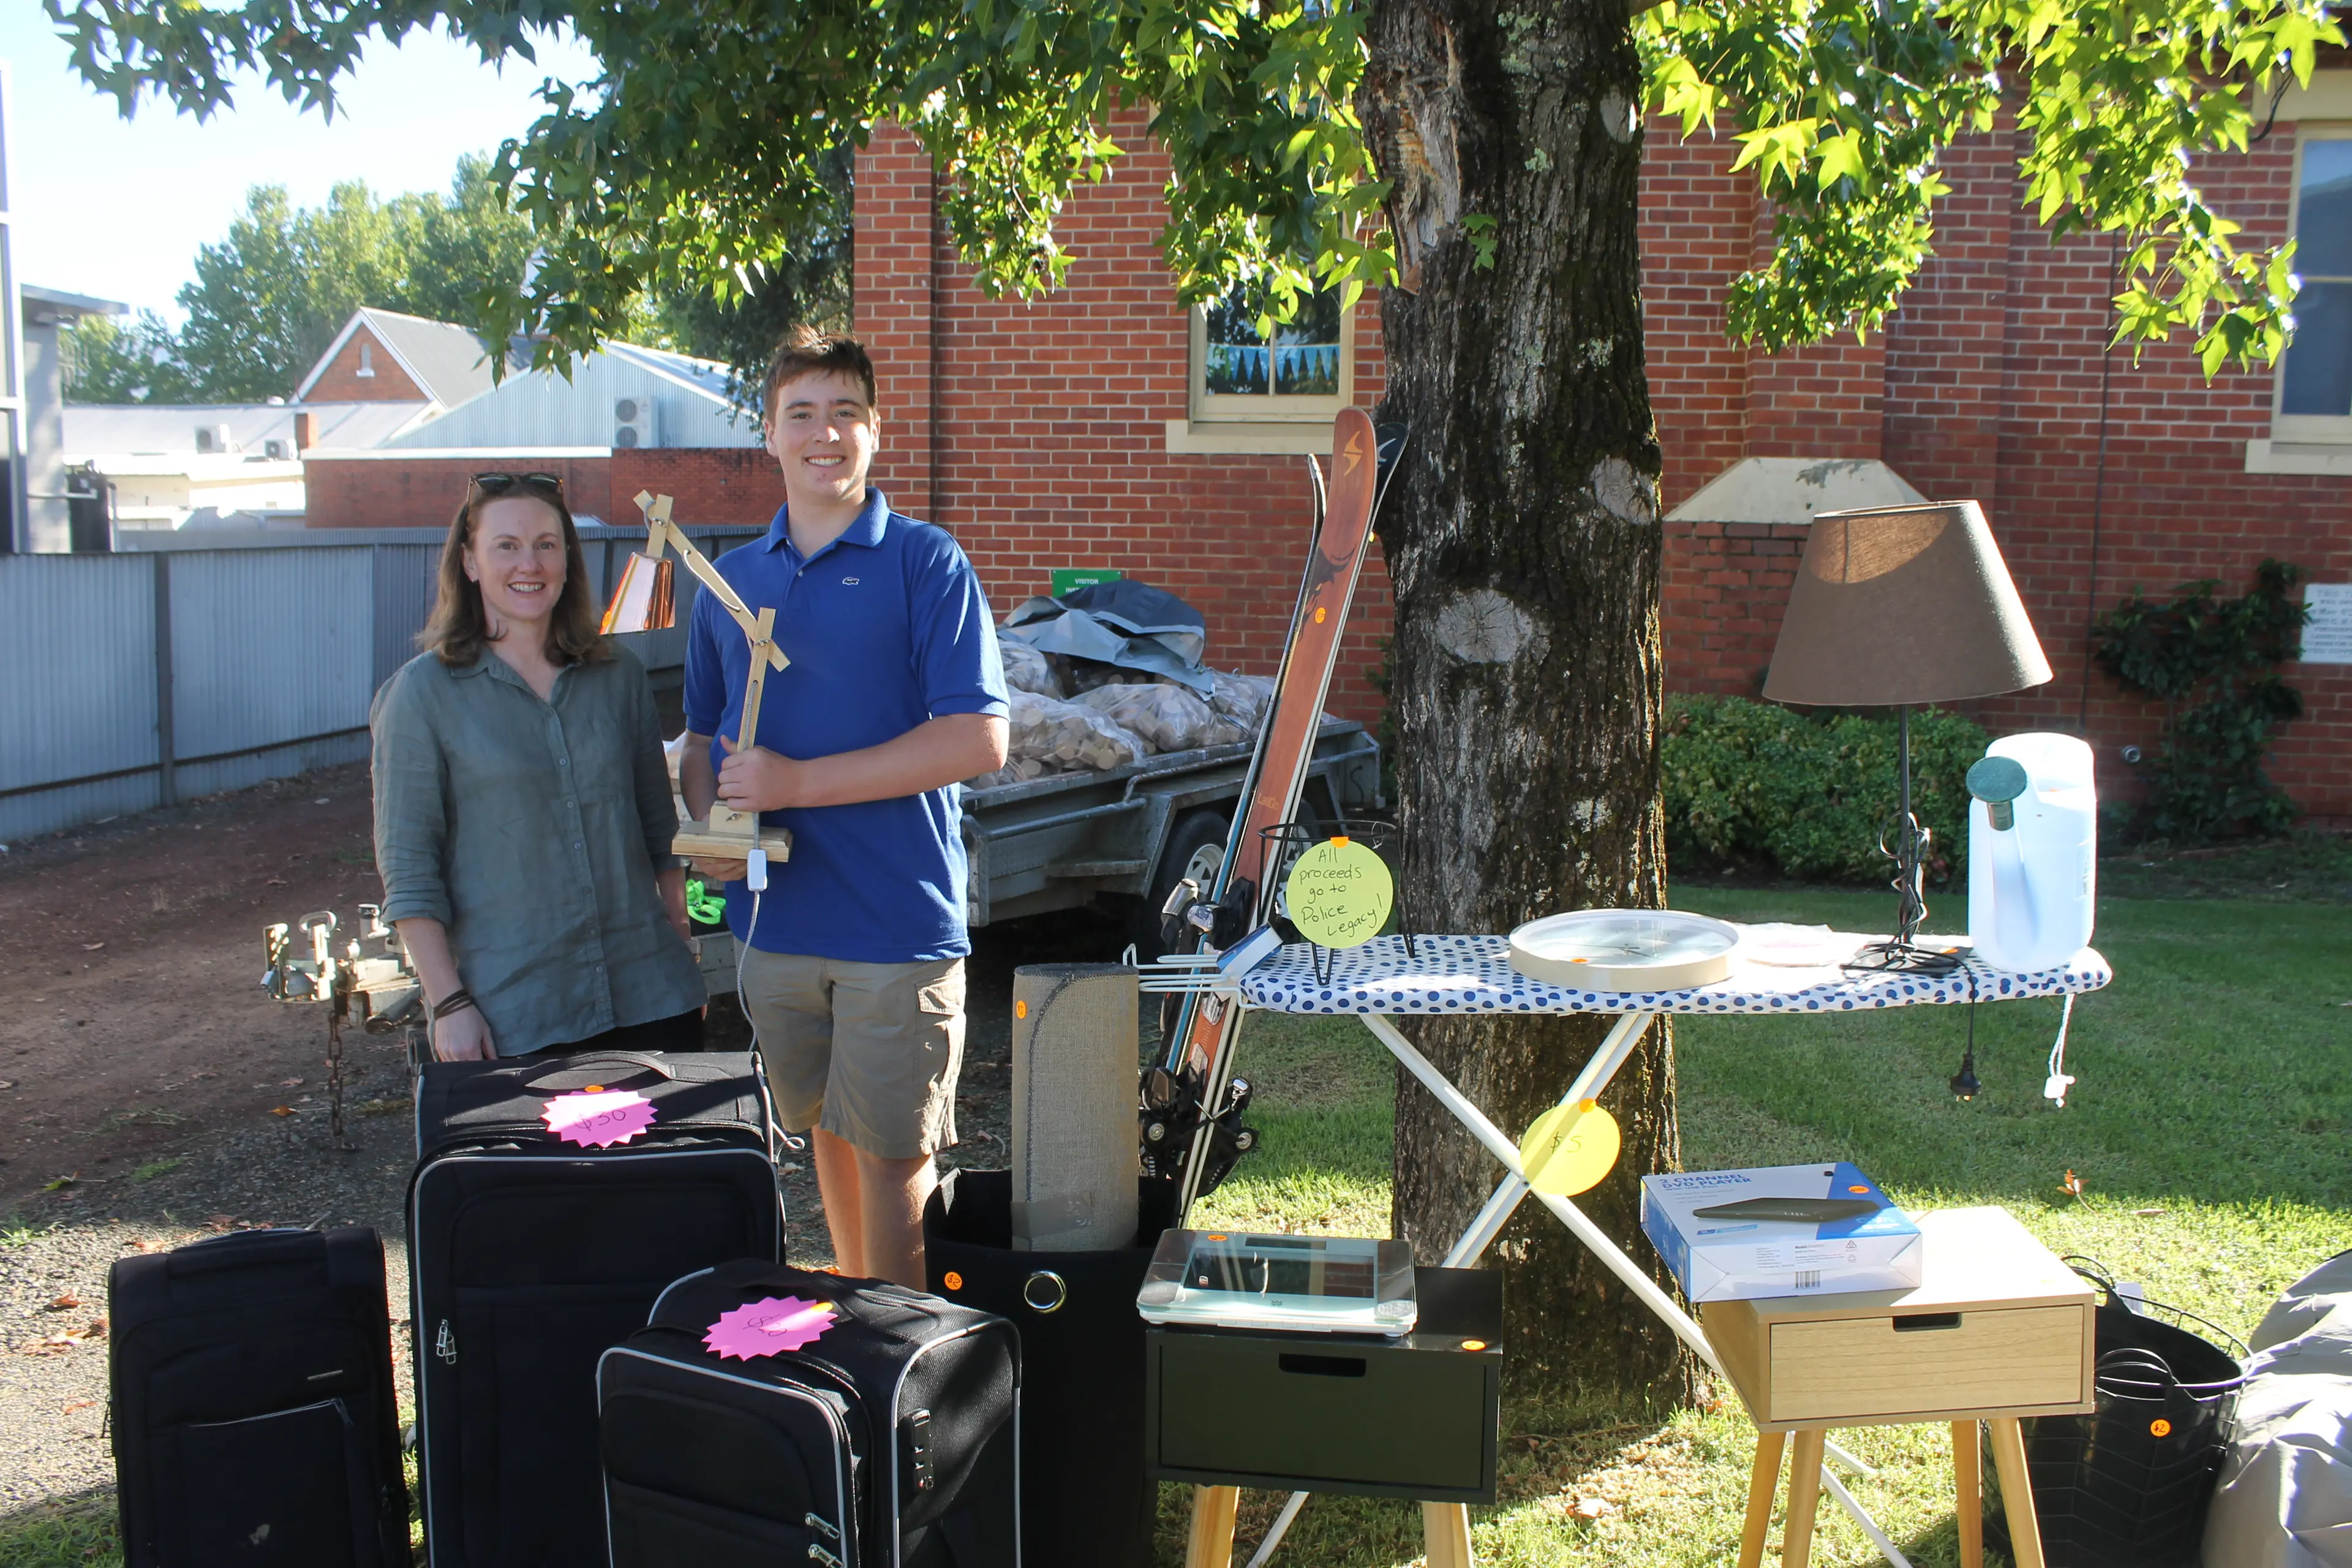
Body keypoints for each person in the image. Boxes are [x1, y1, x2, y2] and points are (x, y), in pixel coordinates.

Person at [681, 329, 1008, 1289]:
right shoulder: (729, 583)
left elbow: (976, 741)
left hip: (894, 923)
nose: (824, 433)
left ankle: (906, 1366)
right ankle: (860, 1319)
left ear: (877, 430)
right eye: (801, 414)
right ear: (770, 437)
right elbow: (704, 736)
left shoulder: (925, 563)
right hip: (777, 926)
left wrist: (794, 785)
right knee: (821, 1126)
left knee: (895, 1156)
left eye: (845, 412)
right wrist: (712, 828)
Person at [372, 472, 707, 1061]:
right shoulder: (421, 695)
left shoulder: (618, 676)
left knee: (657, 1155)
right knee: (550, 1158)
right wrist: (448, 1003)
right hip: (516, 1016)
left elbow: (659, 829)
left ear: (567, 560)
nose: (529, 563)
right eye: (506, 545)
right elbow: (409, 866)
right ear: (470, 563)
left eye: (547, 544)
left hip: (652, 996)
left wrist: (681, 940)